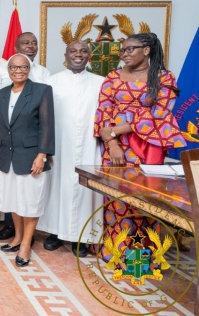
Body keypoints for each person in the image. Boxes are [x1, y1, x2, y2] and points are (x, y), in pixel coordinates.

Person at [93, 32, 186, 260]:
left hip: (148, 147)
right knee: (115, 196)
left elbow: (160, 115)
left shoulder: (164, 78)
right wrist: (112, 142)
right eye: (122, 50)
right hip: (115, 149)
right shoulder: (113, 77)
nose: (124, 54)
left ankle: (143, 253)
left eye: (130, 49)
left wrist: (117, 129)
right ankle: (115, 250)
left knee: (146, 199)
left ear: (146, 50)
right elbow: (104, 112)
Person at [36, 40, 104, 257]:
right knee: (57, 186)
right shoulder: (52, 81)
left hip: (89, 146)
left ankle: (81, 238)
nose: (78, 54)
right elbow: (43, 118)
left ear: (89, 56)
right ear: (65, 54)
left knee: (85, 189)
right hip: (60, 146)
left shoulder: (101, 83)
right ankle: (56, 233)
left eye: (83, 51)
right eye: (73, 51)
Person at [0, 53, 55, 268]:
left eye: (23, 67)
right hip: (7, 155)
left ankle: (26, 244)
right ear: (7, 70)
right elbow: (1, 126)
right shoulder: (2, 93)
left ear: (29, 69)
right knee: (13, 200)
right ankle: (18, 237)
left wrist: (42, 155)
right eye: (13, 67)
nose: (18, 71)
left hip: (31, 157)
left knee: (30, 202)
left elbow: (47, 126)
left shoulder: (41, 91)